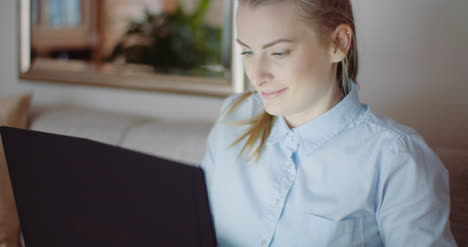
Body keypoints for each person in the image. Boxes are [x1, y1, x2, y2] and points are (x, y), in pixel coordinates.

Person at [200, 0, 457, 246]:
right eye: (247, 51)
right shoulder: (233, 117)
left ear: (338, 43)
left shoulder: (397, 159)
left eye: (278, 52)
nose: (256, 75)